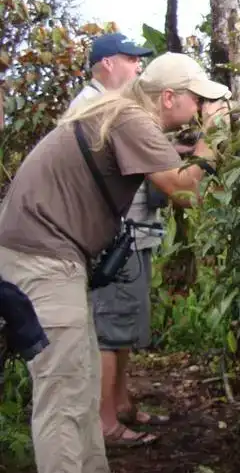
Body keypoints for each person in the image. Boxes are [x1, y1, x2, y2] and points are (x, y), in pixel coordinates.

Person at [0, 52, 231, 473]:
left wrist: (191, 146)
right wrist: (212, 138)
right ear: (168, 98)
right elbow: (185, 190)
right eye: (197, 100)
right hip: (40, 256)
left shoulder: (122, 113)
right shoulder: (131, 119)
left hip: (47, 254)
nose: (202, 109)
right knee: (63, 393)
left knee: (82, 382)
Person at [69, 33, 171, 449]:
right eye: (132, 59)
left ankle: (122, 404)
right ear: (108, 63)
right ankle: (106, 422)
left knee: (124, 325)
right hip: (113, 238)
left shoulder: (110, 106)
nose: (138, 67)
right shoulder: (92, 107)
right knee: (110, 331)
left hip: (134, 235)